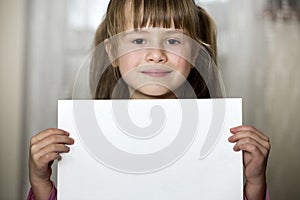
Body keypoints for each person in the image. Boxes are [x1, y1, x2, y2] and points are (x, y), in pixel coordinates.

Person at [27, 0, 271, 199]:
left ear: (195, 53)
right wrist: (40, 182)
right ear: (113, 52)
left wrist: (255, 182)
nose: (156, 54)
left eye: (173, 41)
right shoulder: (88, 136)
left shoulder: (218, 138)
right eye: (139, 40)